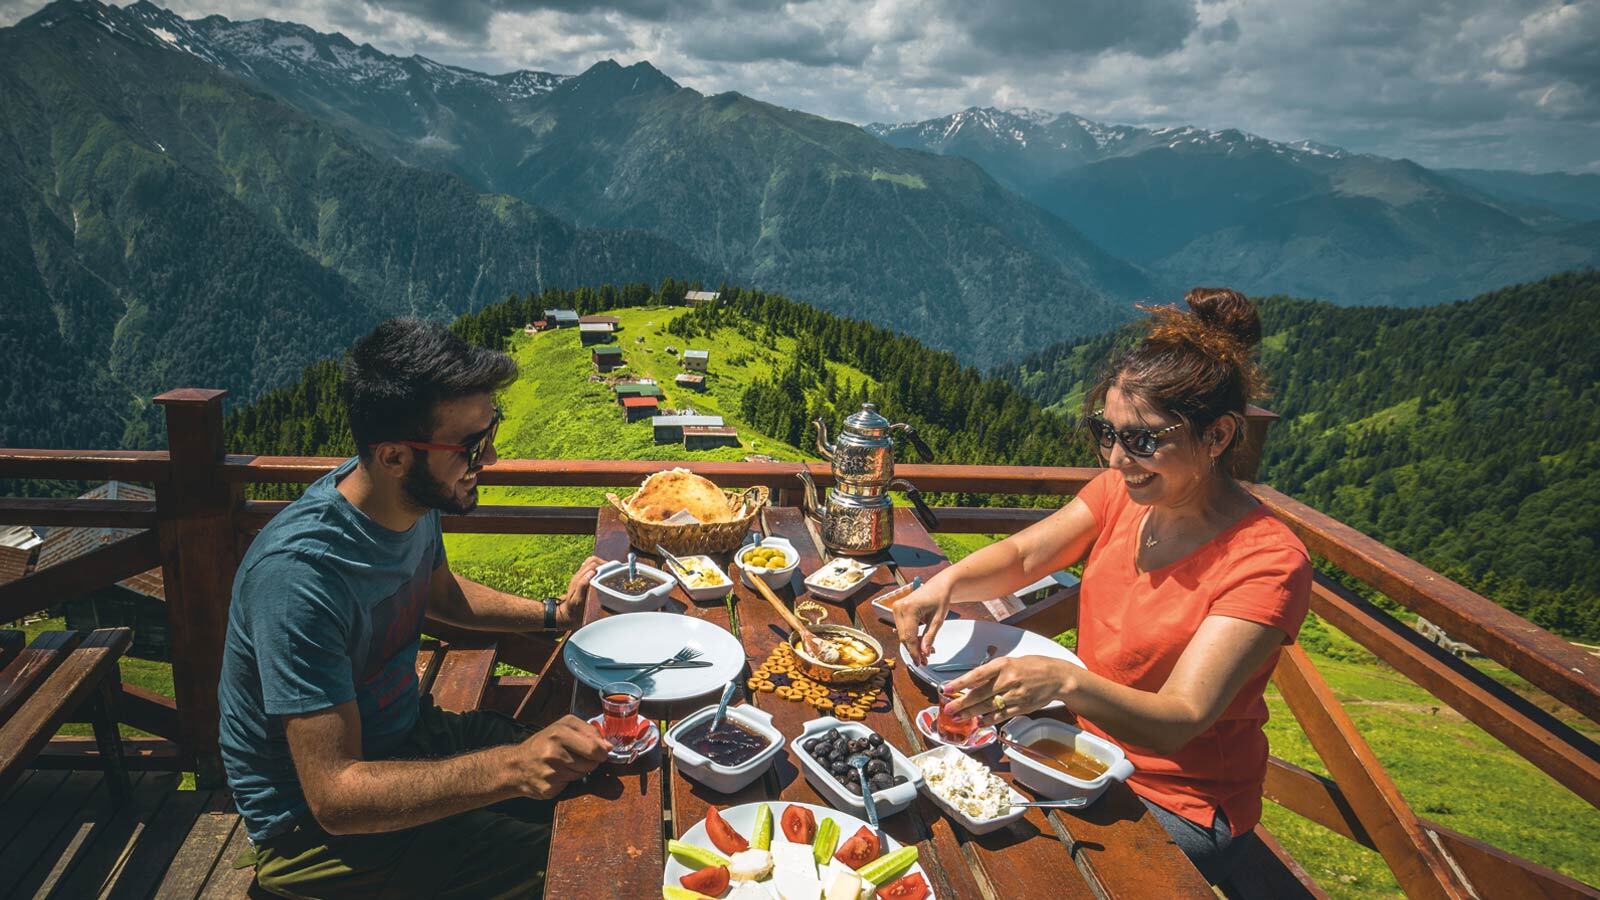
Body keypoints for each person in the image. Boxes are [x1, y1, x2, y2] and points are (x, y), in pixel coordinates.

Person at [892, 288, 1311, 884]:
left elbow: (1181, 719)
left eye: (1144, 439)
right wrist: (947, 581)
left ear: (1217, 436)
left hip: (1175, 799)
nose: (1117, 459)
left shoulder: (1266, 561)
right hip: (1071, 747)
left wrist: (1066, 681)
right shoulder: (1128, 491)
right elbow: (1026, 554)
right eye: (1106, 432)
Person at [219, 318, 613, 899]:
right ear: (395, 455)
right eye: (472, 447)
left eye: (491, 430)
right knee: (584, 869)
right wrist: (512, 768)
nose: (493, 457)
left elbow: (441, 595)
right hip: (310, 833)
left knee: (595, 788)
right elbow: (335, 797)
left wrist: (556, 613)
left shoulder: (407, 502)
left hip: (408, 737)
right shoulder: (298, 579)